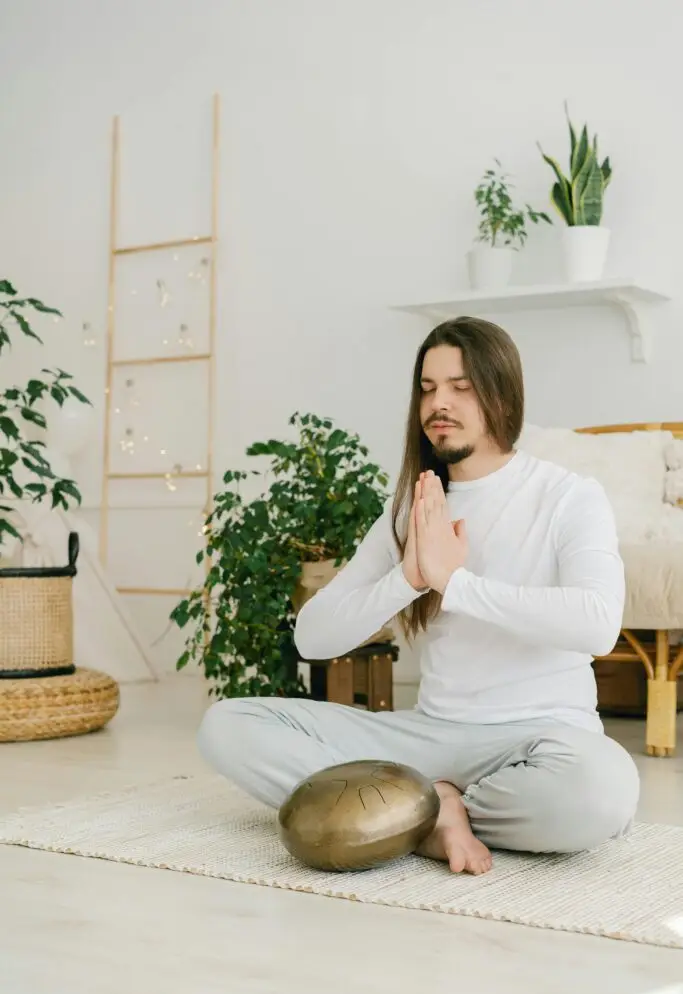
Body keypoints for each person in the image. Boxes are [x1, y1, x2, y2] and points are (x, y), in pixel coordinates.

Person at [198, 316, 640, 874]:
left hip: (539, 740)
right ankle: (434, 808)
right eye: (428, 388)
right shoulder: (411, 507)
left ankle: (411, 809)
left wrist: (454, 585)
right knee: (228, 725)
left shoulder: (569, 497)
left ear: (502, 393)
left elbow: (597, 623)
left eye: (460, 386)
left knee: (602, 790)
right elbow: (313, 636)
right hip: (429, 736)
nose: (439, 404)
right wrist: (407, 579)